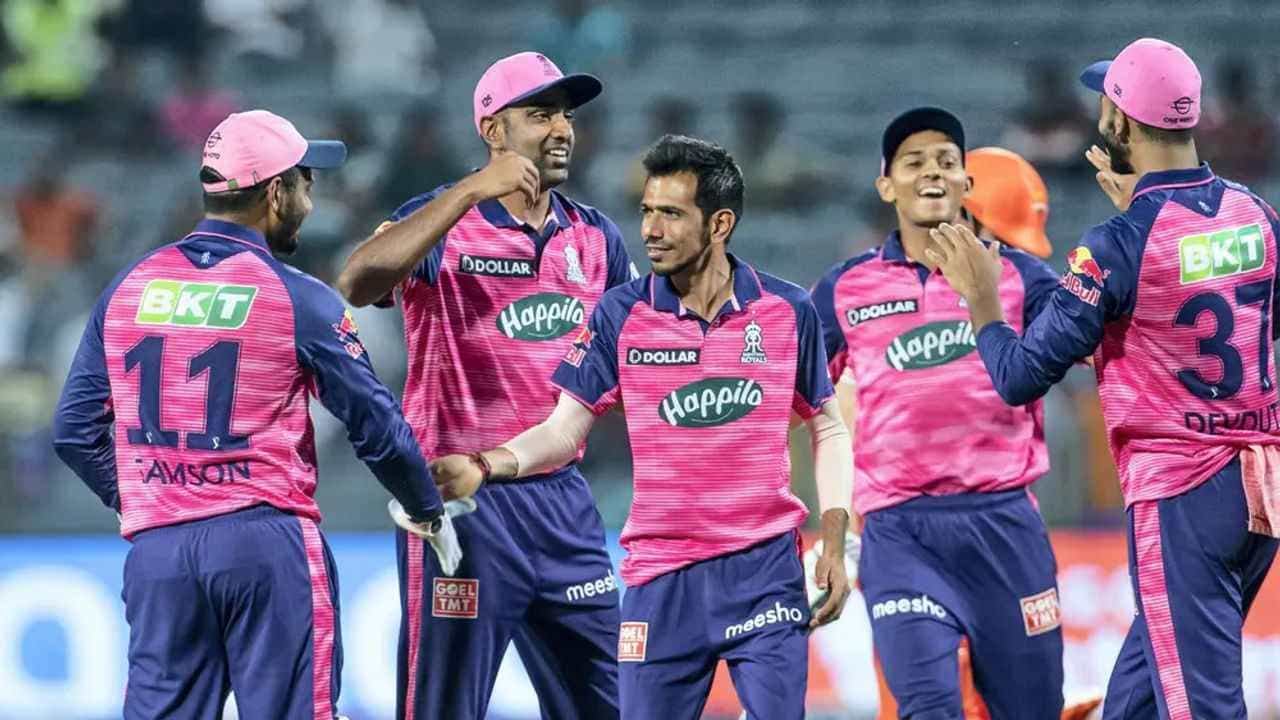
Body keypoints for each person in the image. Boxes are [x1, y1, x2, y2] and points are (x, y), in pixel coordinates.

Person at [50, 110, 458, 719]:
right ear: (275, 194)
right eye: (305, 183)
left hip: (160, 555)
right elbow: (378, 429)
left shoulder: (129, 286)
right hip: (264, 545)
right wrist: (427, 509)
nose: (310, 202)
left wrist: (144, 498)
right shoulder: (298, 297)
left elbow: (73, 431)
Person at [431, 133, 854, 720]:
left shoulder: (787, 310)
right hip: (660, 580)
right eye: (647, 211)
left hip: (764, 571)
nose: (651, 230)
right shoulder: (620, 313)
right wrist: (485, 464)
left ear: (720, 224)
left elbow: (828, 427)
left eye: (671, 214)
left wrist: (834, 537)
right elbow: (562, 431)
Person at [926, 38, 1280, 720]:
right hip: (1261, 483)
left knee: (1201, 707)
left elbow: (1019, 376)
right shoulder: (1256, 214)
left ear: (1120, 122)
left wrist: (981, 297)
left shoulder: (1119, 244)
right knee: (1135, 702)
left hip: (1182, 492)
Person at [336, 51, 635, 720]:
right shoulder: (440, 221)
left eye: (566, 115)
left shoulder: (597, 238)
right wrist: (470, 191)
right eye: (541, 114)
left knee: (613, 706)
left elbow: (630, 362)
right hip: (460, 503)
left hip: (563, 502)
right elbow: (355, 282)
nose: (562, 129)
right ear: (493, 129)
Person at [810, 107, 1065, 720]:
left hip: (1005, 526)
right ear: (886, 186)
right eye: (914, 162)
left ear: (966, 184)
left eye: (947, 162)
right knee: (927, 706)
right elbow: (792, 398)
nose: (932, 173)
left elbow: (1103, 349)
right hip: (900, 534)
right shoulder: (844, 290)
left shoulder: (1022, 278)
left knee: (1031, 710)